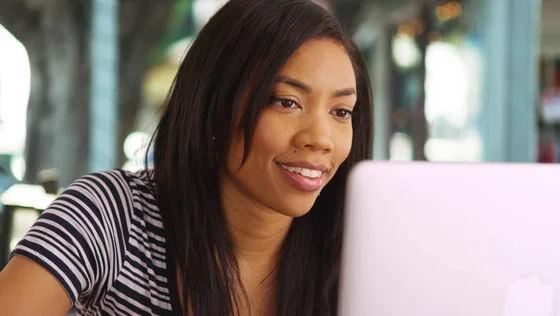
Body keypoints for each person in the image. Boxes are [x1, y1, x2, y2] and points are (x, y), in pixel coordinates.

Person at [0, 0, 373, 315]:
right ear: (215, 103)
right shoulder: (114, 214)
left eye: (341, 112)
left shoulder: (358, 253)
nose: (321, 139)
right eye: (286, 102)